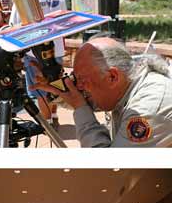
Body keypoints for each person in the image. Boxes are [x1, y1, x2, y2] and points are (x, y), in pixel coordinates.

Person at [32, 35, 172, 147]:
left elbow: (110, 173)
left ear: (112, 77)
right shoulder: (128, 84)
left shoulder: (148, 108)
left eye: (82, 80)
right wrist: (56, 87)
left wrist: (80, 108)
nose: (79, 87)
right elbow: (92, 101)